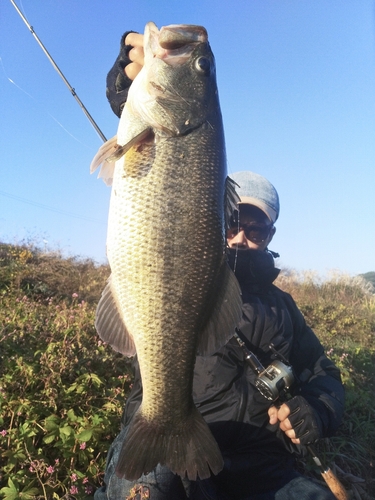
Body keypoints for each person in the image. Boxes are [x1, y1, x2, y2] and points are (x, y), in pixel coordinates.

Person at [94, 32, 345, 500]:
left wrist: (318, 408)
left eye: (259, 227)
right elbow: (171, 180)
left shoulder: (282, 307)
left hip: (260, 460)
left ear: (271, 236)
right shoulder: (198, 258)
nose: (244, 234)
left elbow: (325, 373)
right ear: (214, 217)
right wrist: (128, 96)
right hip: (168, 449)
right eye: (234, 220)